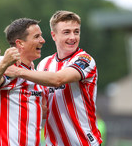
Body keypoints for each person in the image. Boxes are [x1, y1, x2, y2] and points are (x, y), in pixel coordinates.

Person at [6, 10, 103, 146]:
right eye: (66, 32)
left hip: (84, 142)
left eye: (76, 32)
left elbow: (58, 79)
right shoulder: (43, 64)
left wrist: (18, 71)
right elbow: (42, 108)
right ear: (54, 35)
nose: (73, 37)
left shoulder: (85, 59)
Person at [0, 18, 47, 146]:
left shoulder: (32, 72)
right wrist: (4, 64)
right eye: (37, 36)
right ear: (20, 43)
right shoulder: (9, 69)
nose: (42, 40)